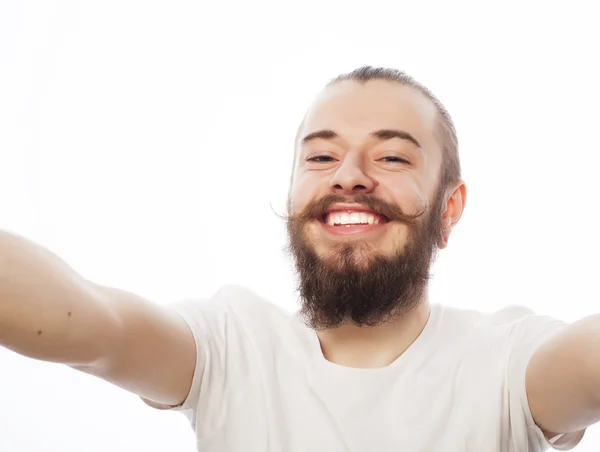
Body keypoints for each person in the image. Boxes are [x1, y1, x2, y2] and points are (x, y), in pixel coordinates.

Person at [0, 66, 593, 452]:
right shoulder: (231, 346)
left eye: (391, 158)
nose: (349, 177)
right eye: (319, 157)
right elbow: (90, 323)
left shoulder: (506, 360)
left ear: (449, 207)